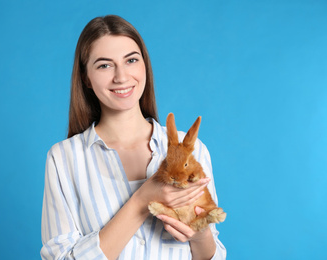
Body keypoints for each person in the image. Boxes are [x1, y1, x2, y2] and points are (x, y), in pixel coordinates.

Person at [41, 15, 226, 260]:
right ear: (86, 77)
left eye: (131, 60)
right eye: (104, 65)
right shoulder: (64, 159)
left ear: (144, 65)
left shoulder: (192, 151)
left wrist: (199, 235)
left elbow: (213, 254)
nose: (121, 77)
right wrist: (142, 199)